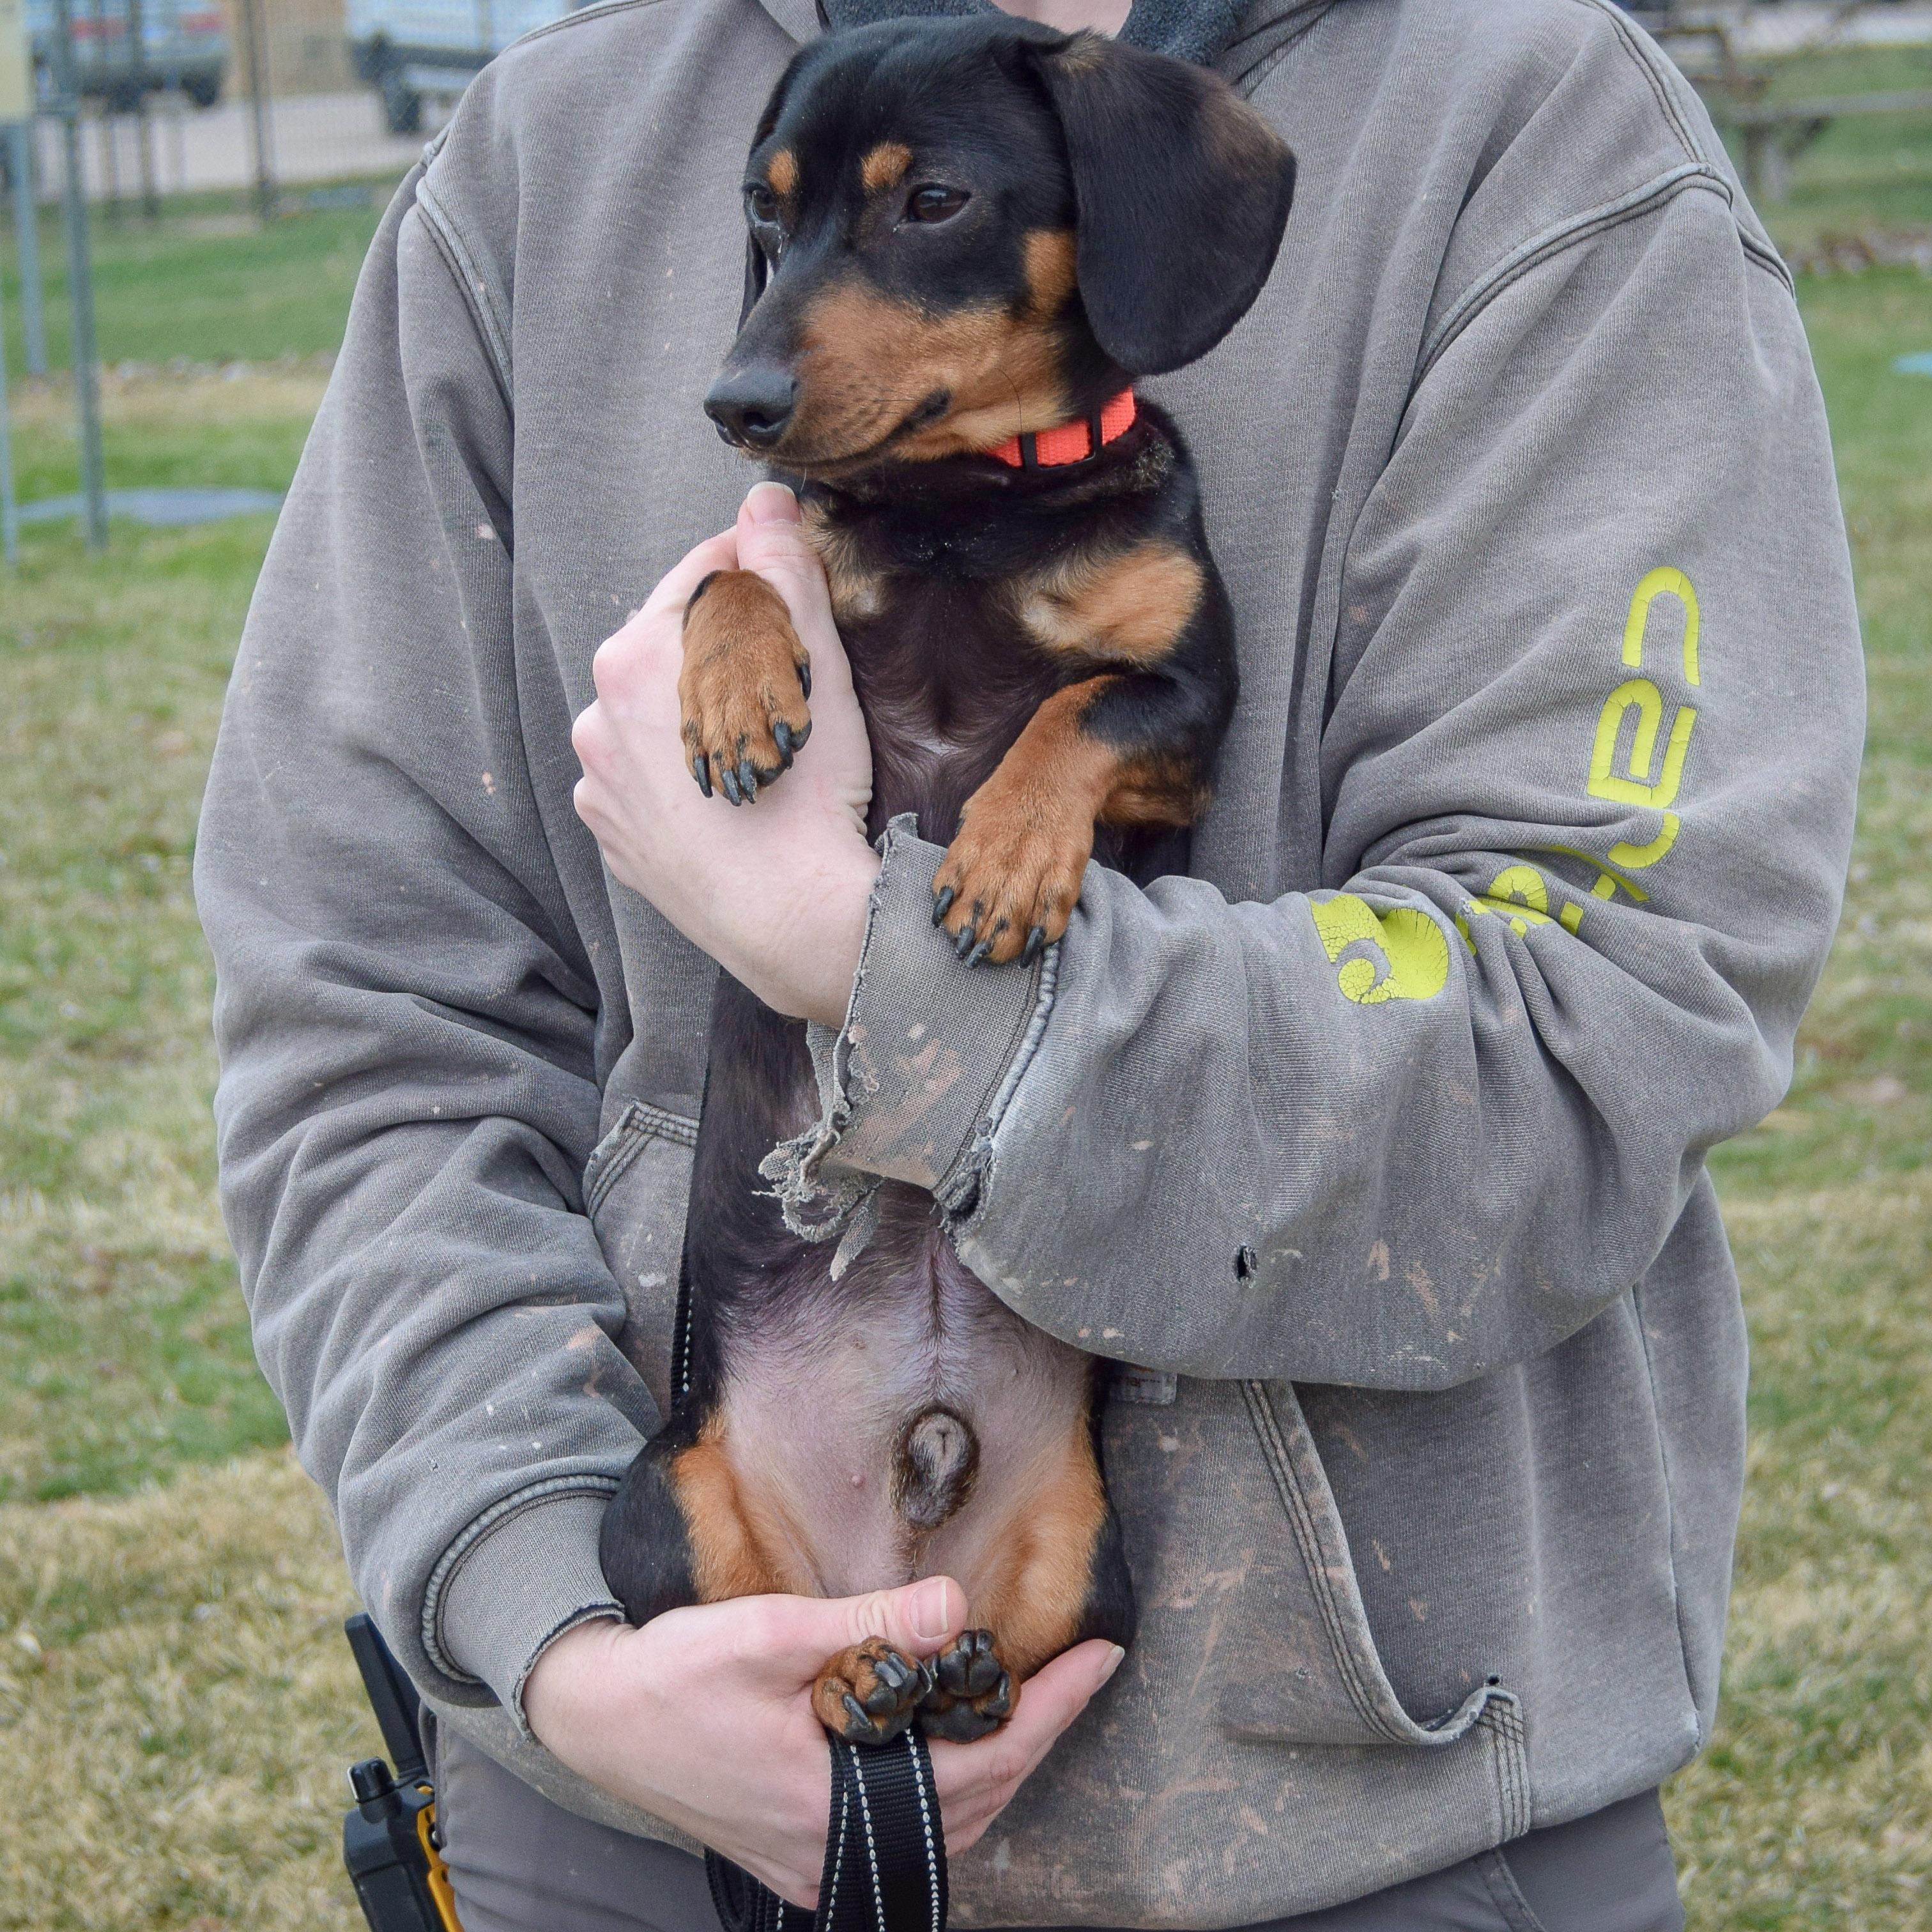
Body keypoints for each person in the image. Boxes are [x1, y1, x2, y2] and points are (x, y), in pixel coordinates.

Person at [194, 0, 1863, 1925]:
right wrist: (554, 1628)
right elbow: (367, 1017)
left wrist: (872, 962)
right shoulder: (533, 165)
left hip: (1356, 1827)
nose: (776, 330)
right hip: (619, 1811)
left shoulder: (1540, 137)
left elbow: (1588, 1030)